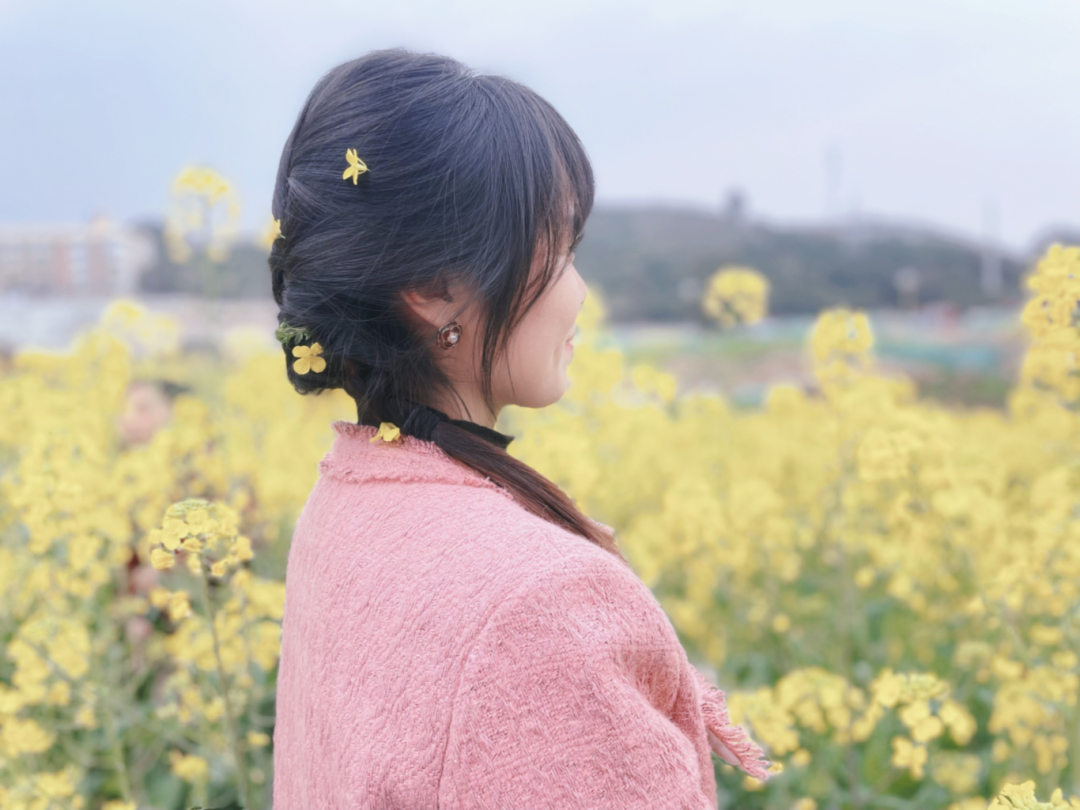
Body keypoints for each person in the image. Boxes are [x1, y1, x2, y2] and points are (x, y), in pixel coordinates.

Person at [269, 48, 770, 810]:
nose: (581, 291)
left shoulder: (345, 501)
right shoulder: (536, 609)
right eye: (560, 249)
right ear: (433, 285)